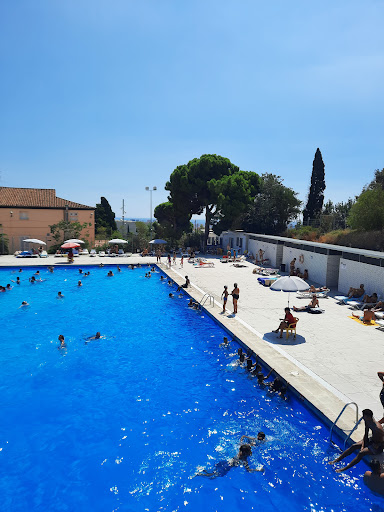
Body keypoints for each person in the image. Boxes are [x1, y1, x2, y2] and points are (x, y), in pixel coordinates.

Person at [195, 443, 263, 478]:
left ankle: (203, 470)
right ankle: (199, 474)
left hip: (225, 461)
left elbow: (242, 446)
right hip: (227, 467)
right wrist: (258, 470)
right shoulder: (244, 459)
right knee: (213, 476)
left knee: (213, 471)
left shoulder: (239, 453)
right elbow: (248, 470)